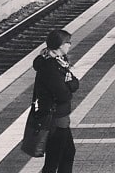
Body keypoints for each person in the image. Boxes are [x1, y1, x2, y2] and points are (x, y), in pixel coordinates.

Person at [32, 29, 79, 173]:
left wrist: (70, 84)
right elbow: (63, 95)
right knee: (53, 160)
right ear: (59, 45)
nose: (70, 45)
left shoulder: (61, 61)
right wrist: (70, 85)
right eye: (67, 43)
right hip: (54, 118)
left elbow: (74, 82)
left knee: (67, 153)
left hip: (60, 116)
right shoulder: (50, 67)